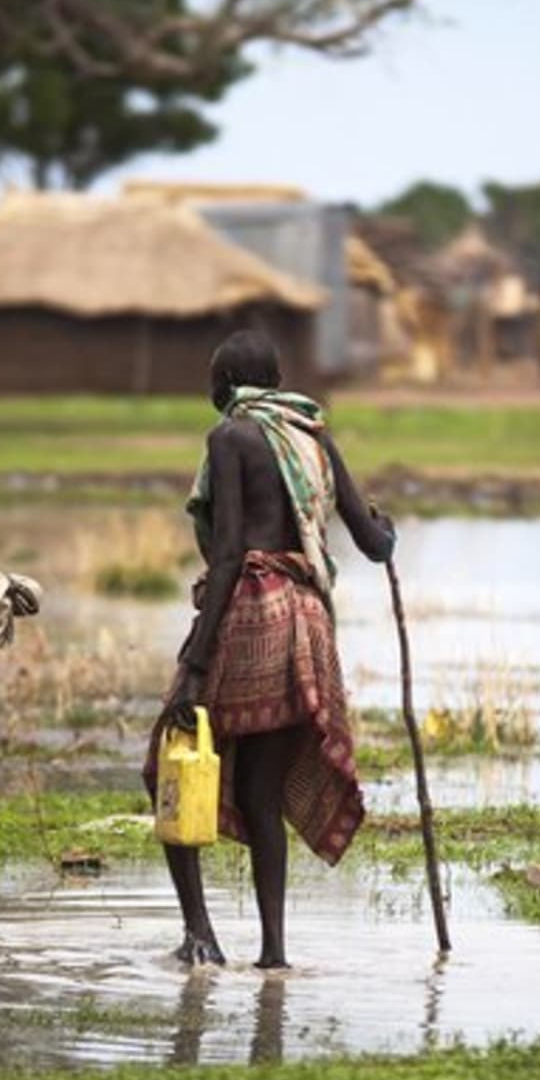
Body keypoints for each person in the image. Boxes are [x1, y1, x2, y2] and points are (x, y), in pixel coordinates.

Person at [146, 330, 396, 970]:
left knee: (164, 762)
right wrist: (386, 528)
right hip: (309, 623)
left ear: (226, 382)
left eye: (212, 377)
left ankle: (200, 935)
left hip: (253, 613)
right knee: (260, 795)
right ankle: (274, 955)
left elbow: (229, 551)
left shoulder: (230, 437)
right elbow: (372, 543)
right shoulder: (313, 436)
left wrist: (197, 664)